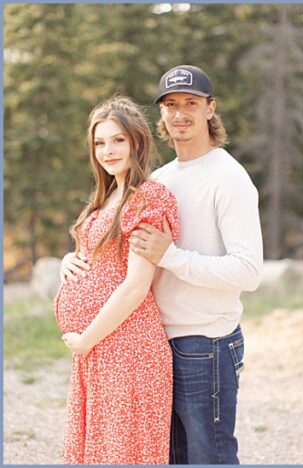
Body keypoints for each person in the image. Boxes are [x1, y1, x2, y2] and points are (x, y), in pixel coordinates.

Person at [62, 65, 263, 464]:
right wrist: (74, 260)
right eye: (171, 105)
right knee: (167, 456)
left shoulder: (228, 177)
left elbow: (249, 271)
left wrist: (171, 256)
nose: (180, 113)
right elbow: (124, 254)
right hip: (152, 341)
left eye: (191, 102)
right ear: (161, 115)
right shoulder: (163, 179)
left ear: (211, 109)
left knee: (210, 455)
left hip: (204, 341)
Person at [56, 95, 179, 464]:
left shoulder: (147, 199)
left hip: (128, 349)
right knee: (96, 450)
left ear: (137, 142)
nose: (107, 150)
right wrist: (68, 259)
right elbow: (95, 256)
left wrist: (85, 340)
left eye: (117, 140)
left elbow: (136, 286)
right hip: (99, 348)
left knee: (120, 453)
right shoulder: (107, 196)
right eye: (99, 142)